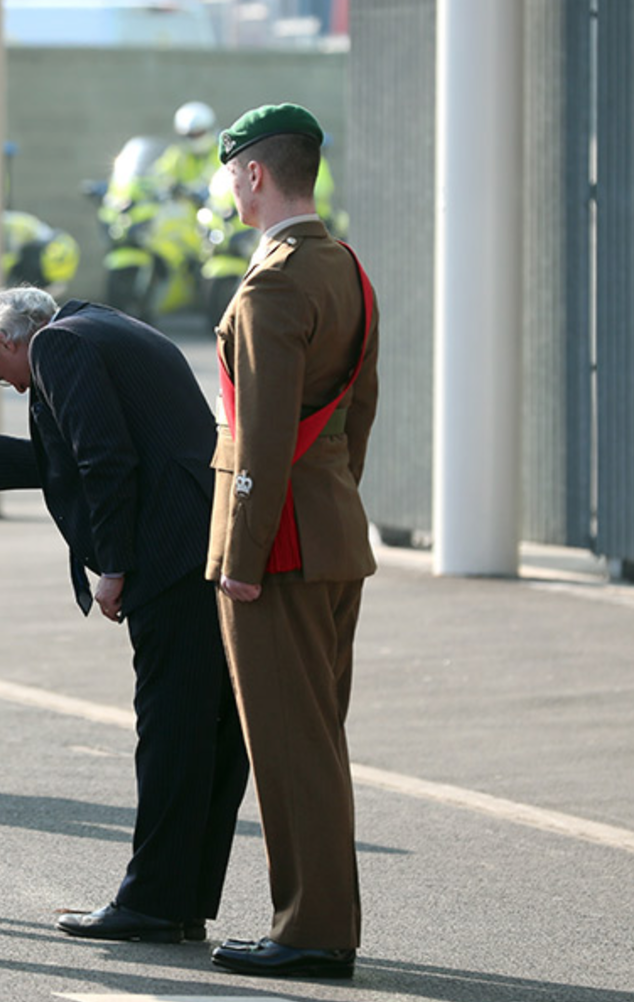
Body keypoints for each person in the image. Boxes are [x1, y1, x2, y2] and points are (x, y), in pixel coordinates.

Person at [0, 287, 249, 944]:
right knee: (206, 731)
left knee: (170, 730)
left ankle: (154, 904)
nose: (15, 388)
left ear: (9, 344)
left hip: (168, 553)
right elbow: (72, 454)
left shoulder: (56, 346)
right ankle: (181, 899)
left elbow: (104, 458)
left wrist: (115, 565)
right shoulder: (99, 325)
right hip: (201, 540)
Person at [206, 103, 379, 979]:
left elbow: (262, 436)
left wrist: (241, 559)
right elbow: (358, 414)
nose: (229, 186)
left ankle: (310, 931)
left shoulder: (273, 282)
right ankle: (321, 922)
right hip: (331, 533)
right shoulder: (343, 266)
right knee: (319, 736)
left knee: (289, 742)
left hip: (276, 549)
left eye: (230, 172)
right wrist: (331, 506)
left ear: (255, 175)